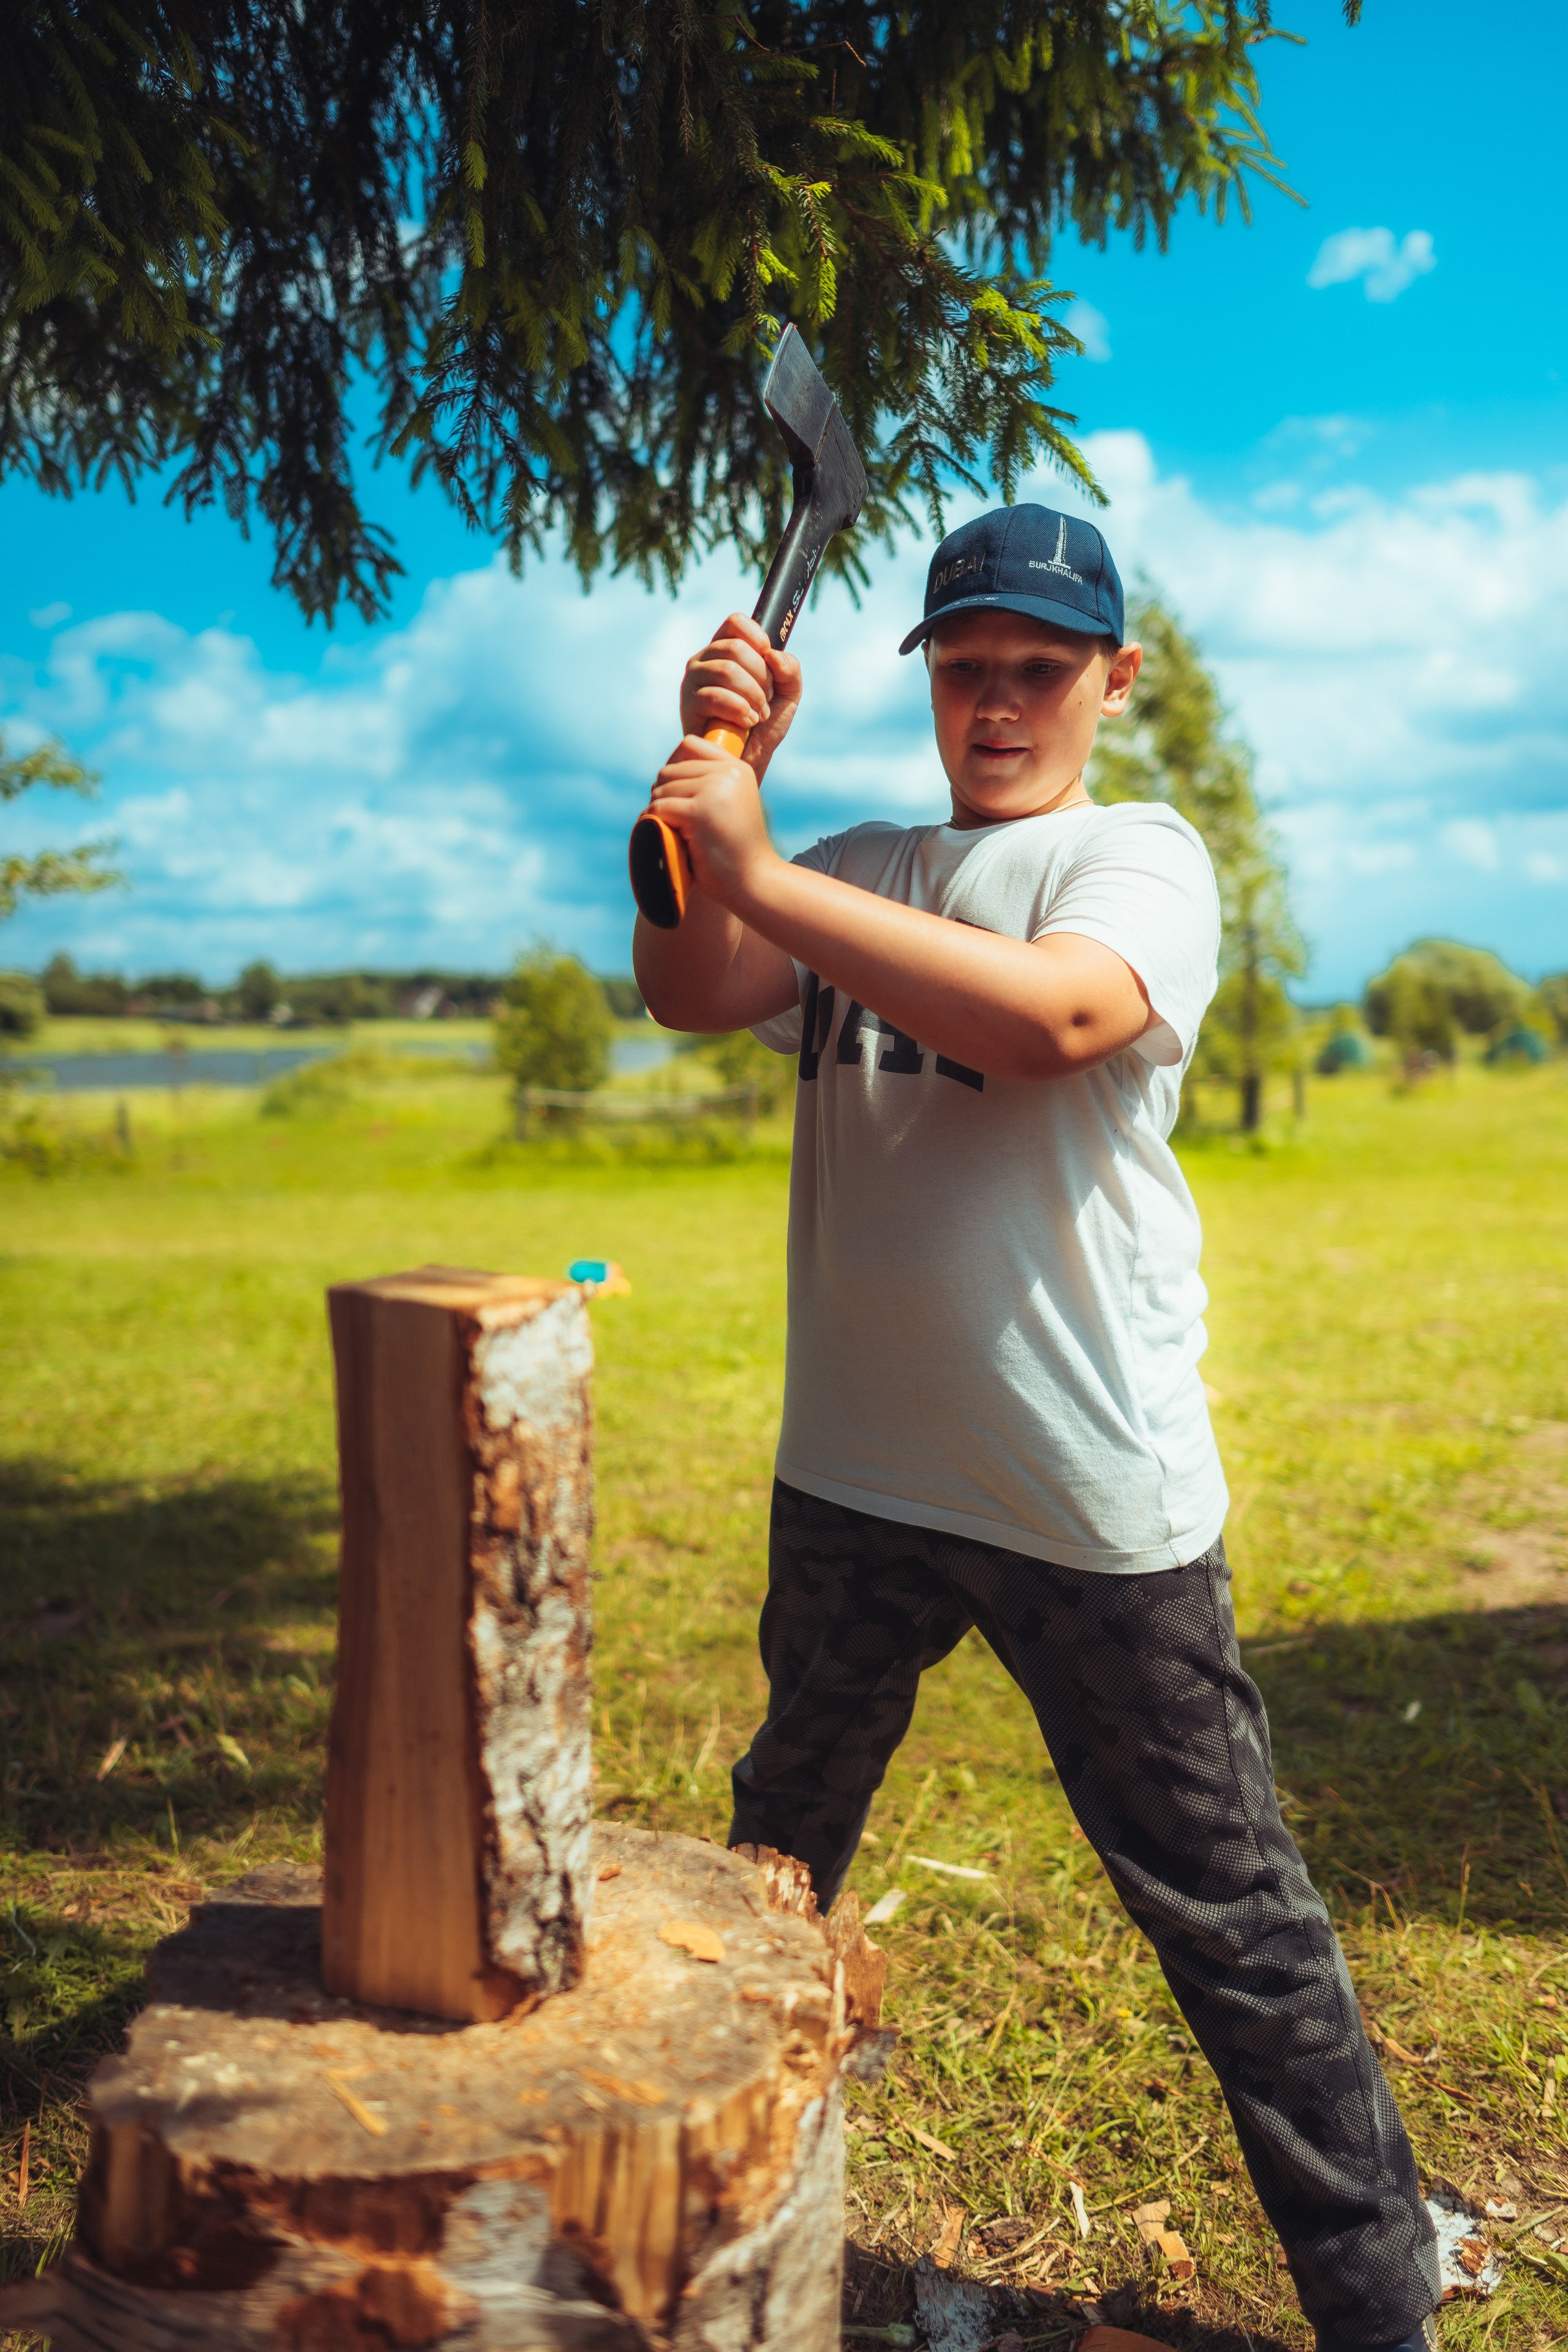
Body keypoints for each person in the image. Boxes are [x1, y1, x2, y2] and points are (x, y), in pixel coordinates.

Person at [631, 505, 1439, 2352]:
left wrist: (759, 867)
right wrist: (704, 802)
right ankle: (706, 2245)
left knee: (1230, 1916)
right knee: (773, 1877)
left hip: (1086, 1495)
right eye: (966, 668)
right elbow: (685, 985)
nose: (998, 705)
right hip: (849, 1473)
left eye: (1040, 669)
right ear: (924, 679)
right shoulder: (853, 857)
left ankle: (1383, 2311)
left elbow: (1058, 1017)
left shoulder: (1135, 858)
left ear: (1111, 680)